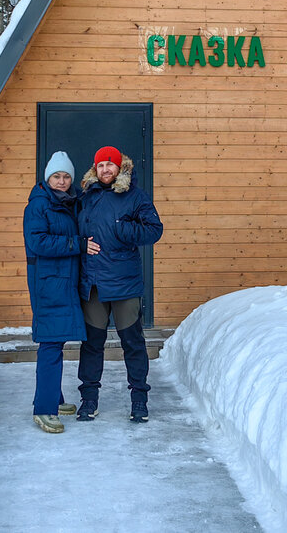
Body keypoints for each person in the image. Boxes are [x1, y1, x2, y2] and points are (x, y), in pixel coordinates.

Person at [75, 145, 164, 423]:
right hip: (94, 285)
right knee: (91, 345)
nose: (105, 170)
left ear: (119, 167)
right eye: (100, 166)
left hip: (125, 284)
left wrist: (122, 229)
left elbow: (154, 230)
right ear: (95, 168)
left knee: (133, 343)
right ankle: (89, 399)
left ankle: (139, 400)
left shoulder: (135, 196)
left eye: (110, 165)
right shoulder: (85, 197)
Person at [23, 151, 98, 434]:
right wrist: (76, 244)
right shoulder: (38, 206)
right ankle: (44, 409)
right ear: (47, 178)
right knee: (51, 344)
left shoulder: (69, 203)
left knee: (58, 340)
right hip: (49, 283)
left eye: (66, 176)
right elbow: (39, 243)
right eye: (57, 176)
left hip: (65, 280)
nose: (62, 181)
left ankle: (53, 397)